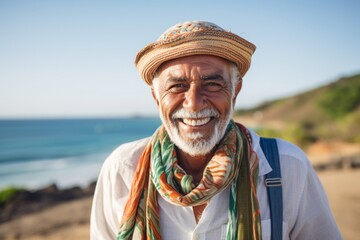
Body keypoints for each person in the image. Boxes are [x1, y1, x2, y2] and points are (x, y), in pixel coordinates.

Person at [90, 21, 342, 240]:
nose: (194, 102)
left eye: (212, 84)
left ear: (236, 90)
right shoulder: (123, 168)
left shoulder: (287, 166)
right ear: (157, 97)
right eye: (177, 86)